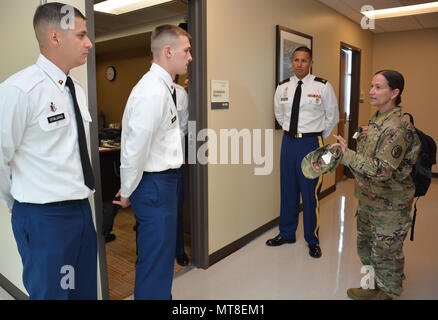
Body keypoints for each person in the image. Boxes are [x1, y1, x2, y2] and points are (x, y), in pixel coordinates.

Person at [0, 3, 97, 300]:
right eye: (81, 35)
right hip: (44, 219)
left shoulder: (75, 88)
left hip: (81, 211)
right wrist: (14, 200)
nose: (89, 43)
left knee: (83, 294)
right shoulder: (19, 90)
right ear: (55, 37)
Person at [113, 24, 192, 300]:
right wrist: (127, 189)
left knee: (161, 260)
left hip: (165, 183)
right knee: (155, 262)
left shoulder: (166, 88)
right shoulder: (151, 91)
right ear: (168, 51)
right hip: (155, 185)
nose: (190, 57)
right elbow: (135, 148)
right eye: (186, 50)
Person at [331, 70, 420, 300]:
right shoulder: (378, 120)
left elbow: (381, 170)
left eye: (379, 87)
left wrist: (346, 154)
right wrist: (361, 138)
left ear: (395, 92)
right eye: (372, 86)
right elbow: (371, 154)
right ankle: (370, 286)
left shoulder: (396, 127)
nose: (371, 91)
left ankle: (387, 293)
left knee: (386, 253)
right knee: (366, 247)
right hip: (369, 200)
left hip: (390, 206)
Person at [267, 46, 339, 258]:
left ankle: (312, 239)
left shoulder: (323, 87)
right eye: (296, 60)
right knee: (288, 190)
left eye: (304, 60)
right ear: (292, 62)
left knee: (310, 194)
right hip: (288, 143)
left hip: (311, 143)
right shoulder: (283, 87)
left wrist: (317, 136)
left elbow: (332, 117)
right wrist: (292, 131)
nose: (299, 64)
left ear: (311, 62)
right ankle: (287, 233)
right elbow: (279, 115)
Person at [175, 79, 189, 267]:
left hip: (175, 159)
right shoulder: (145, 90)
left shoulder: (181, 94)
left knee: (176, 206)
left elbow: (184, 124)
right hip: (151, 163)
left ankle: (179, 250)